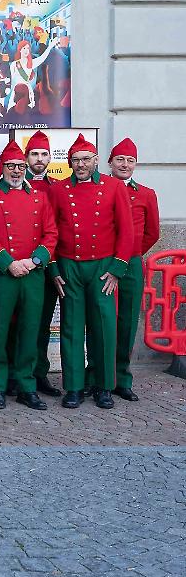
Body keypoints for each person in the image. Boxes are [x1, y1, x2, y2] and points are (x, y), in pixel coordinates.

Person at [49, 134, 133, 409]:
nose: (81, 164)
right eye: (76, 160)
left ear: (96, 160)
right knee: (71, 328)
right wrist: (53, 267)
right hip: (69, 265)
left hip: (102, 267)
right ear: (69, 162)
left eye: (86, 159)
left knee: (104, 327)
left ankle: (103, 386)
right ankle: (74, 387)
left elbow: (126, 231)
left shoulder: (113, 187)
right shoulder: (59, 190)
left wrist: (117, 268)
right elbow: (50, 231)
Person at [0, 141, 58, 411]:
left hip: (32, 275)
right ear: (2, 168)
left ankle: (26, 387)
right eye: (11, 166)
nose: (16, 171)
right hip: (3, 274)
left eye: (20, 166)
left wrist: (34, 261)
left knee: (29, 331)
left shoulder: (39, 197)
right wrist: (8, 263)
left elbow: (51, 234)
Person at [105, 138, 160, 401]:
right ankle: (98, 376)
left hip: (131, 265)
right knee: (102, 321)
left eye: (130, 160)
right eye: (120, 159)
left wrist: (131, 254)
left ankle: (122, 379)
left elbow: (152, 232)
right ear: (110, 162)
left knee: (127, 322)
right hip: (103, 263)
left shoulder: (146, 194)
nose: (125, 165)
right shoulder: (101, 189)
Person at [24, 129, 63, 397]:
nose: (39, 158)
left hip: (48, 263)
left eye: (44, 154)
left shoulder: (57, 187)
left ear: (50, 158)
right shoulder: (16, 183)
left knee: (42, 323)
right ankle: (18, 373)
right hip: (21, 263)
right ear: (27, 157)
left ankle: (40, 373)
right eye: (34, 154)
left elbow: (58, 229)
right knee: (20, 324)